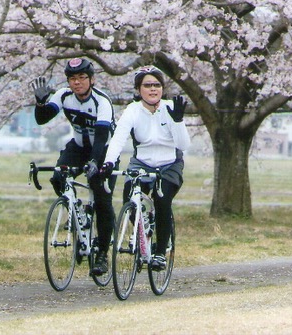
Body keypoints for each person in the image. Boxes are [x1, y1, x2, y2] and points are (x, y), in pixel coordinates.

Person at [30, 57, 117, 275]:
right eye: (72, 79)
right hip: (77, 147)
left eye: (81, 78)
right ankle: (78, 215)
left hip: (103, 149)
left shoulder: (102, 102)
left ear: (92, 79)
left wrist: (96, 163)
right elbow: (43, 119)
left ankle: (102, 255)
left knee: (101, 197)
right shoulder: (64, 95)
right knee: (58, 177)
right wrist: (40, 103)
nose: (76, 82)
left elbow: (100, 137)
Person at [99, 65, 190, 271]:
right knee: (128, 200)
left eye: (157, 85)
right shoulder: (132, 110)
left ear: (162, 88)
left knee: (162, 200)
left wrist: (178, 121)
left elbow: (183, 145)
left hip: (169, 163)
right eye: (147, 85)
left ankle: (159, 253)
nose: (152, 89)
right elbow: (119, 138)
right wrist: (109, 162)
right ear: (138, 89)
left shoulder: (169, 108)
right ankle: (143, 231)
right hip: (141, 162)